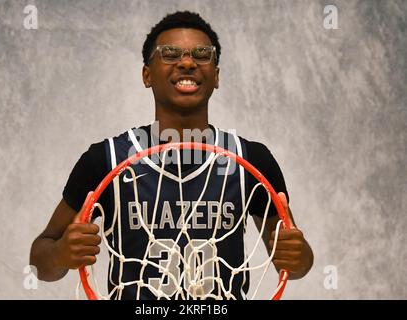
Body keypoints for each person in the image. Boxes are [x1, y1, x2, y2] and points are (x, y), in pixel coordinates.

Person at [30, 11, 313, 300]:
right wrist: (61, 254)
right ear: (147, 74)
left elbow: (295, 263)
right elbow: (40, 262)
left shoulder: (251, 160)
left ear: (216, 76)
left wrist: (299, 256)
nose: (188, 62)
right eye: (169, 53)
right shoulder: (106, 159)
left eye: (202, 54)